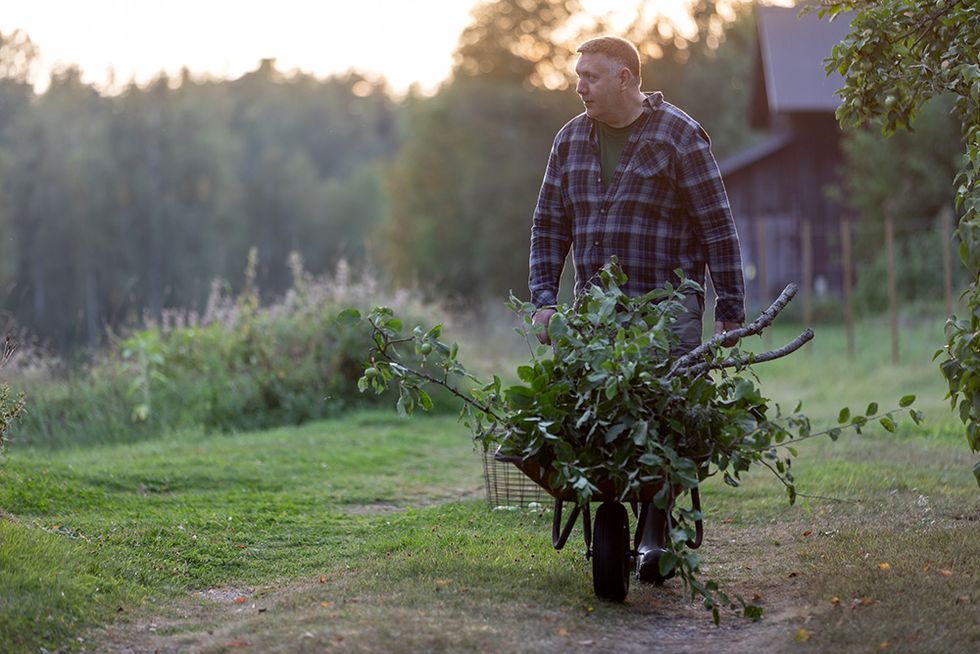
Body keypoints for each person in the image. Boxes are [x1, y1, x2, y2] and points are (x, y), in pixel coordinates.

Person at [527, 36, 745, 583]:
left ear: (626, 78)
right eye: (577, 75)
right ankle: (618, 516)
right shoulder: (570, 140)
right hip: (594, 316)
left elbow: (717, 226)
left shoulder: (679, 136)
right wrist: (544, 302)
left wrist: (730, 311)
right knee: (599, 419)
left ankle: (656, 519)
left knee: (665, 420)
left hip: (666, 311)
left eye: (591, 76)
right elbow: (549, 225)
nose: (579, 86)